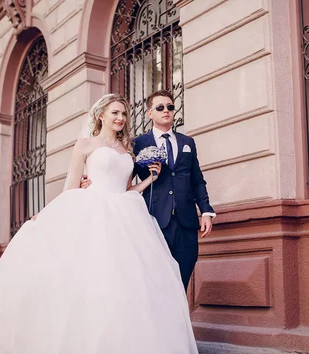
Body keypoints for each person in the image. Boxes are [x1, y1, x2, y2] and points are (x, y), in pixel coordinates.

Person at [0, 94, 201, 354]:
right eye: (115, 112)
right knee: (84, 283)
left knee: (121, 284)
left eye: (124, 114)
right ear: (100, 114)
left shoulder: (127, 148)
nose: (120, 118)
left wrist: (149, 180)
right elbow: (71, 186)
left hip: (125, 213)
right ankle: (71, 353)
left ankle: (114, 352)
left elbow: (127, 188)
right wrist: (46, 214)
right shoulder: (85, 145)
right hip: (92, 212)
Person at [81, 90, 215, 290]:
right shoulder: (136, 144)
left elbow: (197, 180)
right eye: (160, 107)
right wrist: (91, 181)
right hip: (153, 220)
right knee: (157, 278)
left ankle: (177, 321)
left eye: (170, 107)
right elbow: (122, 177)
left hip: (186, 221)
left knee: (184, 274)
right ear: (150, 113)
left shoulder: (188, 143)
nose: (166, 111)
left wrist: (205, 211)